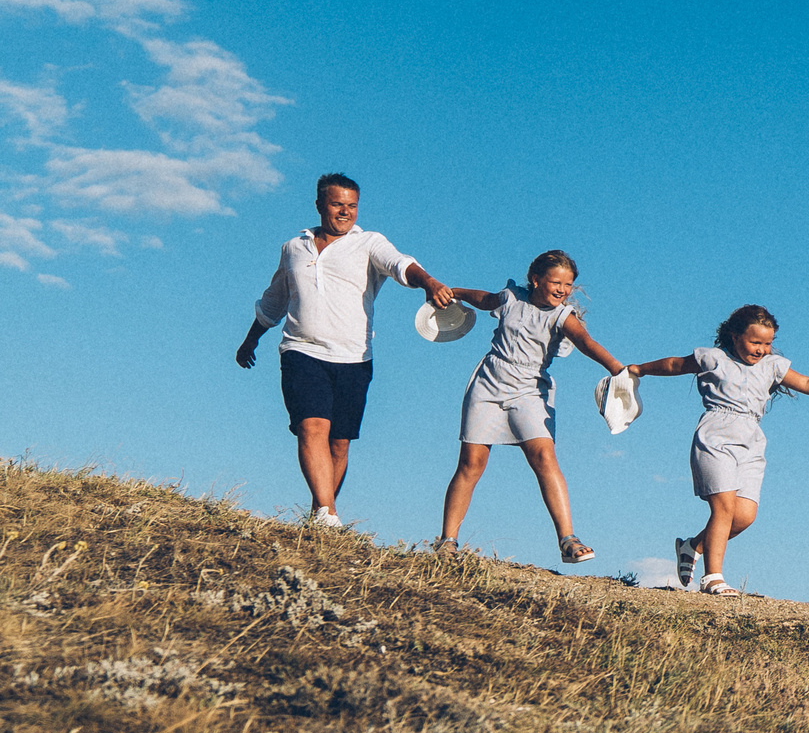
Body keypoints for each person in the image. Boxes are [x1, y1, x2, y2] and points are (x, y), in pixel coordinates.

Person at [236, 172, 454, 527]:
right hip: (301, 351)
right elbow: (274, 300)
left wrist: (428, 282)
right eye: (337, 204)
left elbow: (401, 264)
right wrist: (250, 340)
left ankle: (318, 513)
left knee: (339, 442)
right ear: (320, 204)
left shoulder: (368, 242)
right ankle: (327, 512)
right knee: (312, 426)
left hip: (354, 357)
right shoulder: (294, 247)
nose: (345, 212)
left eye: (351, 206)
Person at [625, 304, 809, 598]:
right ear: (734, 336)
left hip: (752, 440)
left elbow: (806, 382)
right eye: (755, 342)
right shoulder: (713, 358)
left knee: (743, 516)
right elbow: (674, 365)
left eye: (767, 343)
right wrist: (640, 369)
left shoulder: (773, 365)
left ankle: (691, 546)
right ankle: (713, 578)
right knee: (724, 508)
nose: (761, 350)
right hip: (716, 435)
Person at [429, 250, 633, 563]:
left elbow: (585, 342)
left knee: (544, 456)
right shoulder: (511, 297)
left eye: (568, 284)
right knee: (471, 463)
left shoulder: (564, 316)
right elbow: (483, 299)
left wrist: (617, 368)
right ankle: (447, 542)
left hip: (530, 390)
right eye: (556, 282)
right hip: (489, 384)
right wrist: (454, 292)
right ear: (536, 279)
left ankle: (568, 539)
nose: (563, 289)